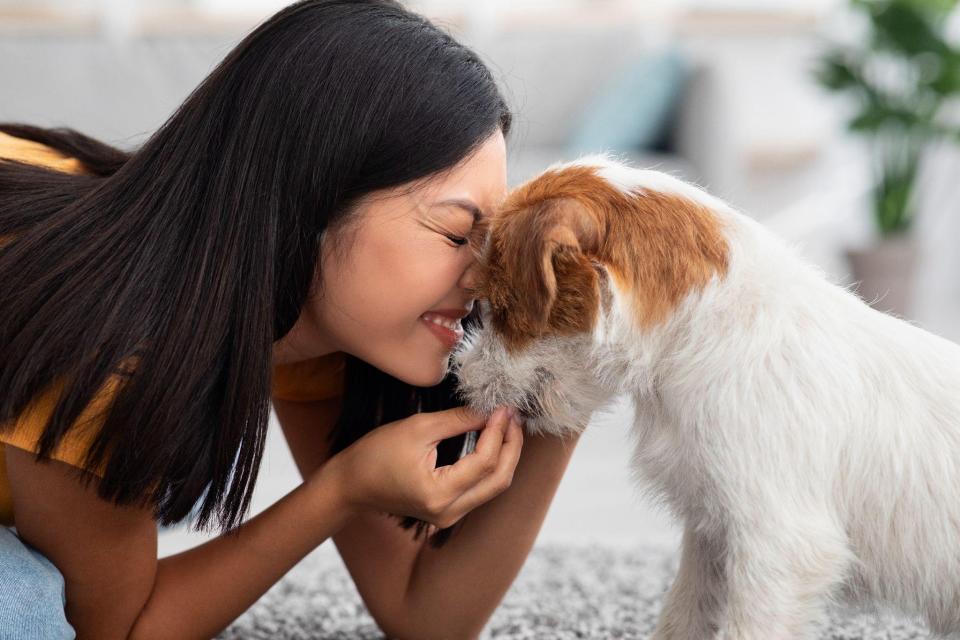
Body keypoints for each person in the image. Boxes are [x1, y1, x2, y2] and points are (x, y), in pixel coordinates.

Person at [0, 1, 582, 638]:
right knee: (28, 613)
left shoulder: (308, 326)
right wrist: (339, 490)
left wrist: (572, 376)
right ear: (313, 201)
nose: (482, 279)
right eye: (454, 233)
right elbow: (117, 633)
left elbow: (426, 616)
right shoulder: (106, 339)